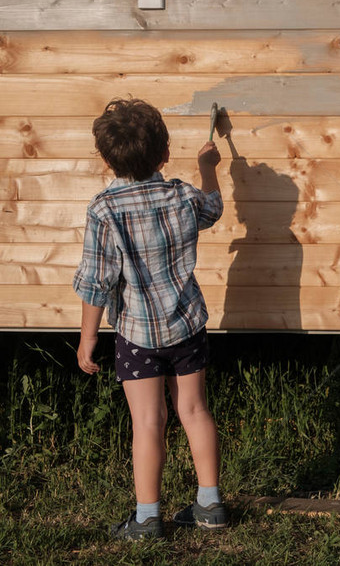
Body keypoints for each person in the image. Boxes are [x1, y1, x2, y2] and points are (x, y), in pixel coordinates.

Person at [73, 98, 227, 540]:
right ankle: (210, 504)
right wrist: (209, 166)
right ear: (164, 154)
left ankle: (147, 517)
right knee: (195, 411)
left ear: (106, 159)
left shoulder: (104, 209)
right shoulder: (181, 194)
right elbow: (212, 209)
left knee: (148, 422)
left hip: (137, 335)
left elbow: (97, 282)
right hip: (186, 325)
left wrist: (88, 338)